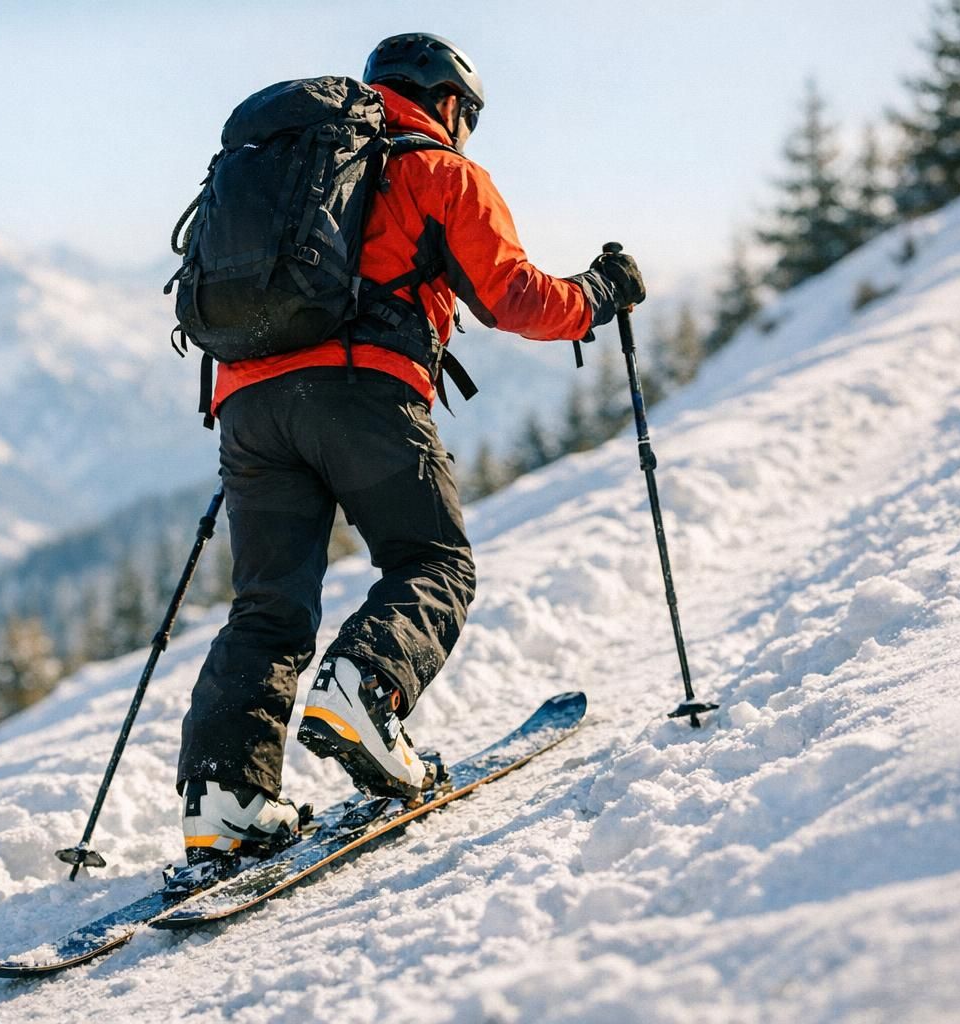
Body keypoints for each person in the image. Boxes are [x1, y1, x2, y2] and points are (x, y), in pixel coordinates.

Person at [176, 32, 645, 863]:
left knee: (267, 609)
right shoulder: (439, 170)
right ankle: (364, 688)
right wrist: (600, 295)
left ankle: (227, 798)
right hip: (364, 392)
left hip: (247, 401)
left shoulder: (300, 163)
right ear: (450, 104)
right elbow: (514, 297)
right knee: (432, 561)